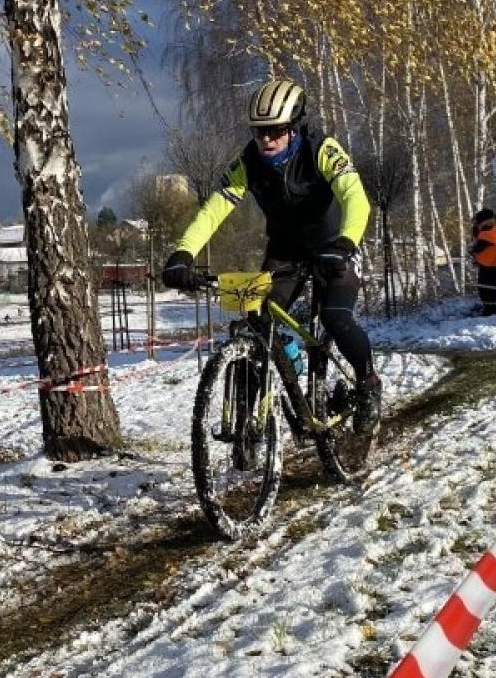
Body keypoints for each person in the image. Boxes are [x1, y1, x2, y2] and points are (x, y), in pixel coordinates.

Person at [161, 77, 382, 436]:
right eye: (259, 131)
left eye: (275, 130)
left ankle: (369, 383)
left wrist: (345, 243)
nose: (266, 139)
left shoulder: (322, 149)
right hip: (285, 253)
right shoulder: (248, 162)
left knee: (335, 316)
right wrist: (182, 253)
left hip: (334, 248)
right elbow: (213, 211)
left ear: (293, 128)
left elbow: (355, 197)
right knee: (257, 321)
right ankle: (266, 402)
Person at [469, 209, 496, 315]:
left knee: (484, 289)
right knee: (492, 289)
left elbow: (477, 248)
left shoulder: (485, 234)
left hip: (487, 264)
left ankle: (489, 309)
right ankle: (493, 308)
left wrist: (471, 250)